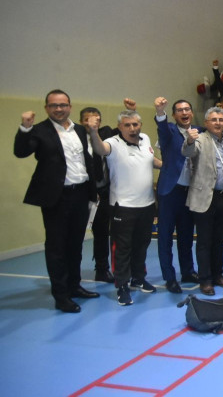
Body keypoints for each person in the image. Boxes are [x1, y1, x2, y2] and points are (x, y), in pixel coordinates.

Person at [14, 90, 98, 313]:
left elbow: (85, 160)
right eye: (54, 105)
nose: (59, 109)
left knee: (76, 244)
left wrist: (92, 192)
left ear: (70, 106)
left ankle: (74, 286)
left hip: (80, 194)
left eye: (63, 105)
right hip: (56, 197)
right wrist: (25, 128)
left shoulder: (79, 130)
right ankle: (61, 296)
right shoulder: (39, 130)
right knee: (57, 248)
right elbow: (21, 152)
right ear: (46, 108)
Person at [88, 110, 161, 306]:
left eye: (135, 124)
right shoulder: (112, 143)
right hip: (123, 207)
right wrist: (93, 132)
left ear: (140, 125)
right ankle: (122, 285)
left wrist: (167, 165)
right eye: (127, 125)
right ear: (120, 127)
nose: (132, 128)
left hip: (147, 204)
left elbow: (149, 160)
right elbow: (100, 149)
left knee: (142, 245)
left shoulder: (145, 139)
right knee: (122, 248)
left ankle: (138, 278)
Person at [182, 107, 223, 296]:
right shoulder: (200, 139)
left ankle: (217, 274)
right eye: (214, 120)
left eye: (221, 119)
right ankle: (205, 280)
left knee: (219, 239)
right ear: (206, 123)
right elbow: (188, 151)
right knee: (204, 241)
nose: (218, 123)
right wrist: (189, 140)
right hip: (205, 196)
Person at [154, 97, 200, 294]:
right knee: (165, 236)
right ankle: (169, 277)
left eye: (187, 109)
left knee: (187, 235)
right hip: (170, 191)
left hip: (190, 192)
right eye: (180, 110)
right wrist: (160, 112)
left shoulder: (199, 131)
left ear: (192, 113)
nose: (184, 112)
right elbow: (162, 127)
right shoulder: (169, 131)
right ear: (173, 115)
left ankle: (187, 271)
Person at [79, 106, 115, 283]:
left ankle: (102, 269)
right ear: (81, 122)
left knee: (101, 233)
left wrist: (130, 110)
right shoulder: (76, 139)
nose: (92, 123)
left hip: (104, 192)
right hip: (83, 193)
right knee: (76, 234)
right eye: (87, 119)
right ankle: (71, 273)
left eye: (96, 120)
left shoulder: (106, 135)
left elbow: (125, 131)